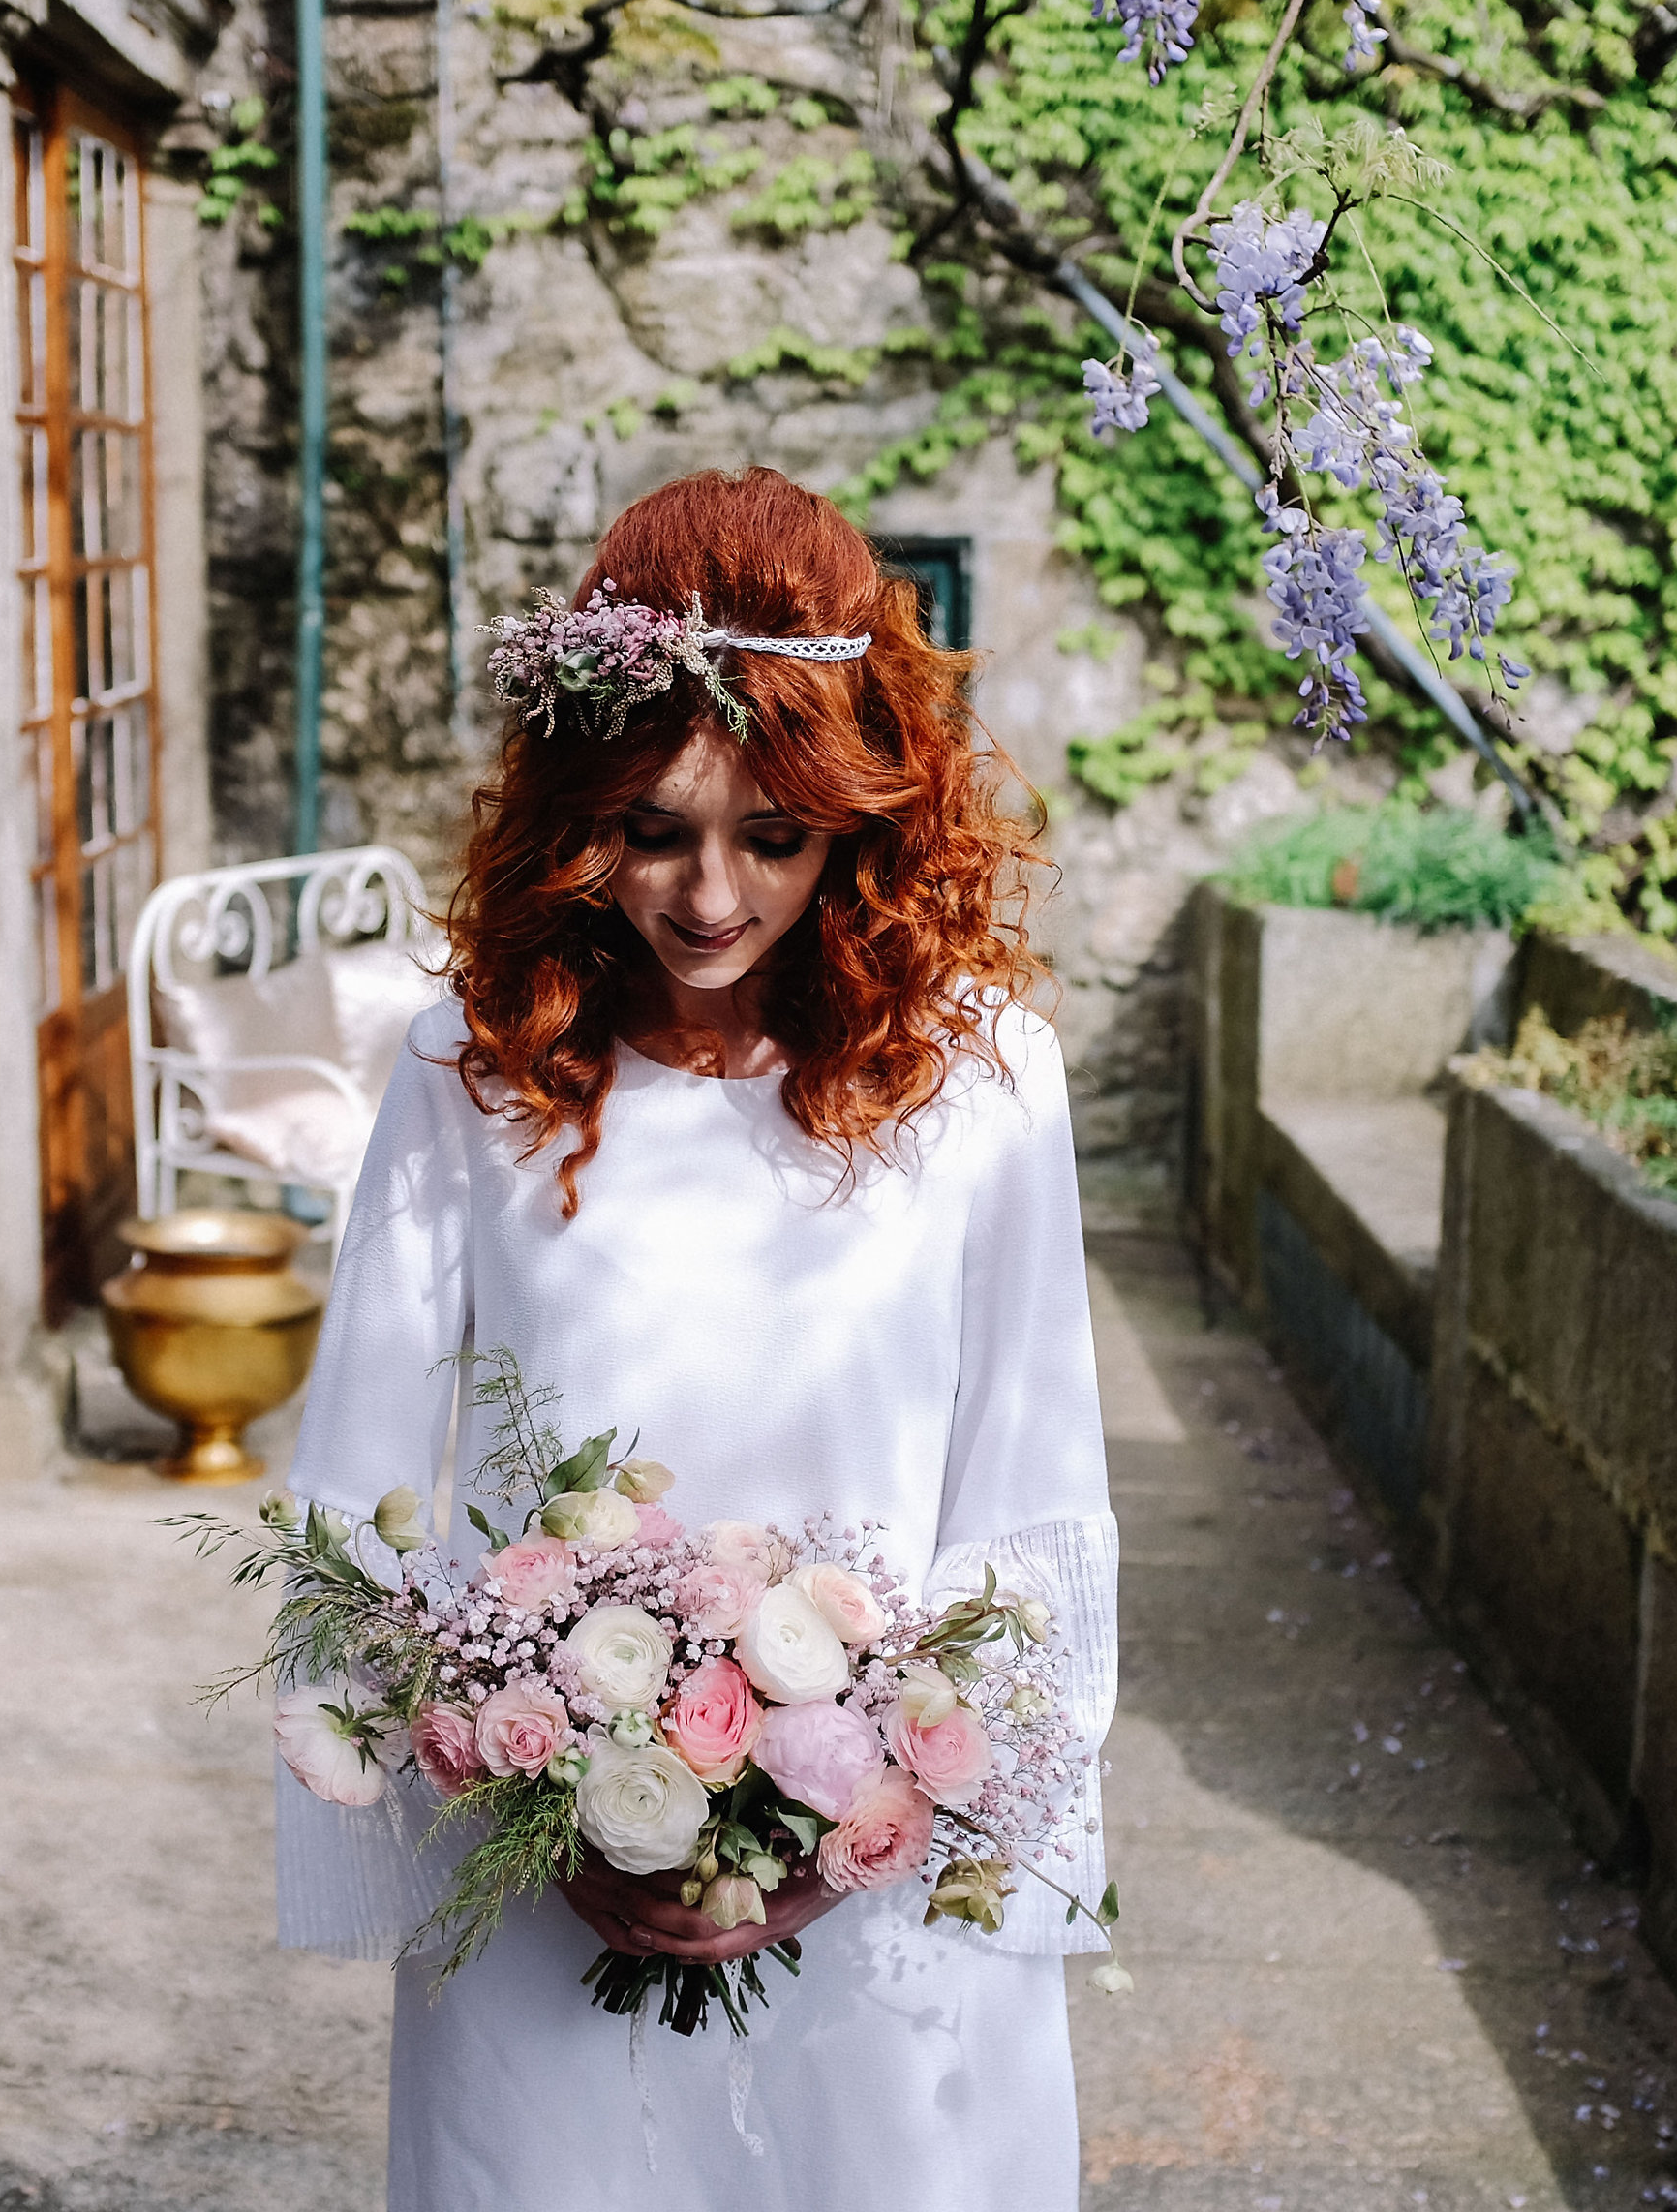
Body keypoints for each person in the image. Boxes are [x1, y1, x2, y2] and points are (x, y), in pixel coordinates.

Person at [275, 467, 1116, 2210]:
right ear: (580, 814)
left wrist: (867, 1826)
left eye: (774, 835)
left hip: (882, 1909)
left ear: (858, 821)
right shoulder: (475, 1073)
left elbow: (1027, 1501)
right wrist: (518, 1794)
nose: (713, 896)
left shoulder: (983, 1087)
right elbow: (366, 1491)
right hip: (542, 1882)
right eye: (656, 828)